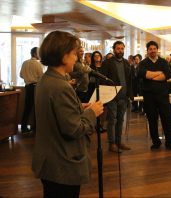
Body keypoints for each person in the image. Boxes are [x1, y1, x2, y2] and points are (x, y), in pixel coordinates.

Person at [32, 30, 104, 198]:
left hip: (49, 161)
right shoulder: (61, 86)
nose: (76, 58)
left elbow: (57, 113)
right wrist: (92, 112)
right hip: (61, 164)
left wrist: (79, 107)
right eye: (73, 54)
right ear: (63, 56)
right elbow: (74, 129)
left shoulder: (46, 79)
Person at [138, 40, 171, 151]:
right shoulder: (143, 63)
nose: (152, 51)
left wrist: (151, 76)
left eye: (154, 49)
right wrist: (159, 73)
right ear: (147, 51)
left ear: (157, 50)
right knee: (152, 119)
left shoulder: (163, 62)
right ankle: (156, 142)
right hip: (149, 96)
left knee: (166, 119)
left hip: (163, 95)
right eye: (150, 49)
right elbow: (142, 74)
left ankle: (170, 142)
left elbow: (168, 74)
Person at [101, 41, 132, 153]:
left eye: (122, 48)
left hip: (124, 97)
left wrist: (130, 94)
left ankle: (119, 142)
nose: (120, 50)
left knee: (120, 120)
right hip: (112, 97)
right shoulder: (107, 63)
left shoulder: (126, 63)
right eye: (118, 48)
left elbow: (129, 80)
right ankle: (112, 143)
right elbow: (103, 80)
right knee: (112, 121)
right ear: (114, 50)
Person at [20, 47, 43, 133]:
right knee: (37, 108)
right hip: (36, 87)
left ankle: (23, 127)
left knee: (27, 108)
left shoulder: (24, 63)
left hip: (27, 87)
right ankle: (35, 128)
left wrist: (28, 78)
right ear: (35, 54)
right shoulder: (38, 64)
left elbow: (21, 75)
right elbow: (41, 77)